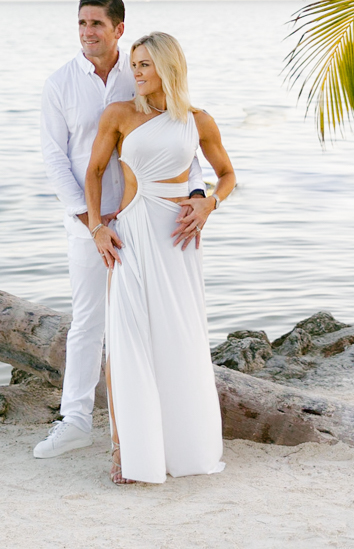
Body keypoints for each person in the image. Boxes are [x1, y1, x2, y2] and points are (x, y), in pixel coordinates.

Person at [32, 0, 206, 459]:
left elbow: (180, 140)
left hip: (148, 220)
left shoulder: (144, 71)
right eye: (81, 23)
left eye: (96, 24)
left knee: (153, 320)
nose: (87, 31)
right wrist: (91, 222)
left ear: (118, 28)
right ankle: (76, 421)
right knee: (88, 320)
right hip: (89, 224)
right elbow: (55, 158)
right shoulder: (60, 84)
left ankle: (157, 422)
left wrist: (197, 194)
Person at [86, 31, 235, 484]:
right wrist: (97, 227)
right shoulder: (119, 115)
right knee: (127, 341)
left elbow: (226, 175)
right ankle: (125, 452)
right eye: (134, 64)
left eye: (146, 64)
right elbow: (94, 173)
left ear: (169, 67)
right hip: (131, 234)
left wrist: (209, 202)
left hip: (179, 239)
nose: (137, 72)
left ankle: (180, 447)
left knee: (178, 338)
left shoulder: (198, 120)